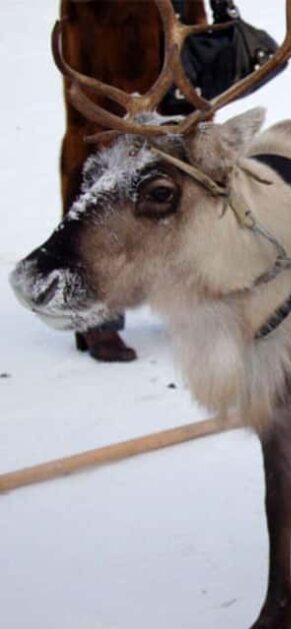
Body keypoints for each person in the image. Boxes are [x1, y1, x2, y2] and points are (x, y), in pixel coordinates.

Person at [58, 0, 207, 362]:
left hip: (173, 44)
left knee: (179, 173)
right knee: (102, 167)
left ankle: (180, 299)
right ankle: (97, 311)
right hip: (109, 38)